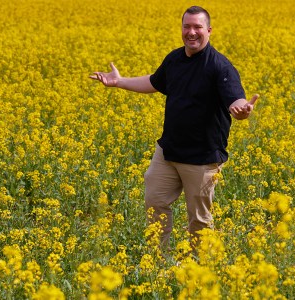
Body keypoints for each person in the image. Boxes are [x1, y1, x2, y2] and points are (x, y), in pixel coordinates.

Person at [90, 6, 258, 249]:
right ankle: (157, 263)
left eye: (198, 27)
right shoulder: (175, 59)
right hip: (168, 152)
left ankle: (197, 270)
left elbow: (236, 101)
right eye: (187, 26)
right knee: (154, 204)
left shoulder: (220, 67)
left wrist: (242, 109)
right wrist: (119, 82)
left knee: (199, 220)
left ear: (209, 30)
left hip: (202, 159)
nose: (191, 32)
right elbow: (155, 82)